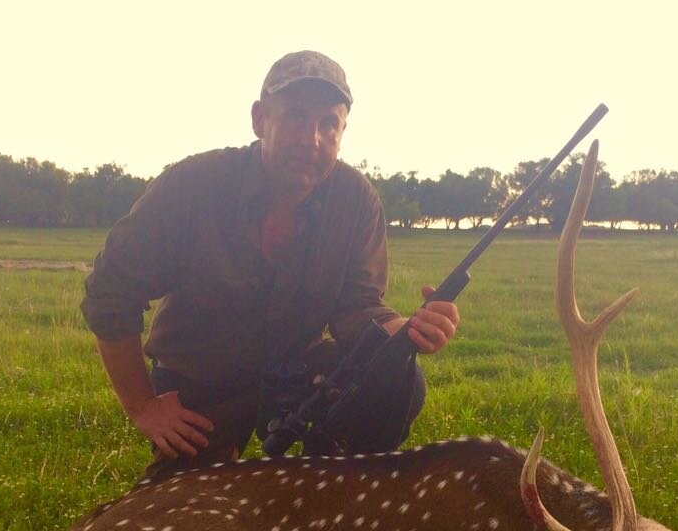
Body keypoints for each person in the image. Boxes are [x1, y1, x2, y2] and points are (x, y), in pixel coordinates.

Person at [80, 51, 459, 471]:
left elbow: (359, 306)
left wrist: (404, 330)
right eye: (296, 117)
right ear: (260, 119)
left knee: (396, 376)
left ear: (342, 131)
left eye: (328, 124)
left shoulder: (356, 200)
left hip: (299, 377)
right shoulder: (192, 185)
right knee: (188, 520)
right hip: (202, 382)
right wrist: (144, 407)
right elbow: (110, 293)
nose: (310, 139)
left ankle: (335, 485)